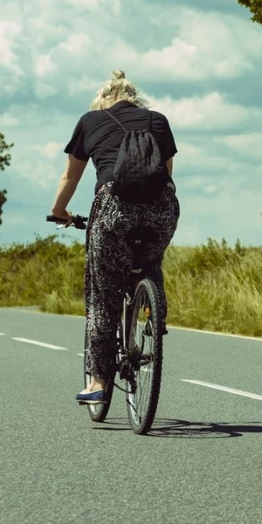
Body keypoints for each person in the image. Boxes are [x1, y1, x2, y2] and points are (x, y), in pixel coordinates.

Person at [49, 70, 179, 404]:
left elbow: (70, 176)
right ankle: (152, 308)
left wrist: (59, 211)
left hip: (113, 209)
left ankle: (98, 383)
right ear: (135, 99)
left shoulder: (90, 121)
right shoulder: (158, 121)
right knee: (150, 262)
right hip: (161, 209)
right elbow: (166, 176)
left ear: (104, 98)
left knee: (102, 298)